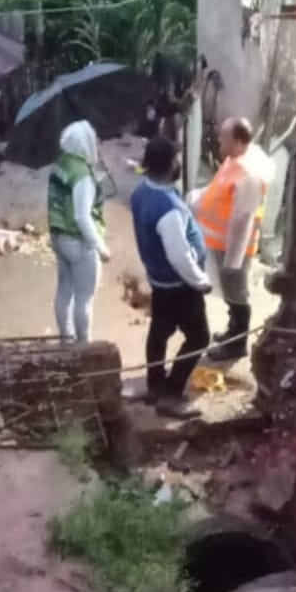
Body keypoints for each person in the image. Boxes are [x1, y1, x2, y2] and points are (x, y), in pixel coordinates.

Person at [130, 136, 212, 419]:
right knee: (199, 337)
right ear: (168, 166)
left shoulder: (141, 192)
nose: (179, 164)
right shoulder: (167, 209)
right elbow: (179, 255)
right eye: (176, 160)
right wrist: (201, 281)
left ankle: (155, 383)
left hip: (159, 280)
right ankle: (173, 392)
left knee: (160, 331)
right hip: (180, 285)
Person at [192, 117, 272, 364]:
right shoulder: (235, 161)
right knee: (231, 293)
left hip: (233, 248)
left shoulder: (248, 175)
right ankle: (232, 332)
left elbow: (242, 219)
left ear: (237, 142)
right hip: (222, 243)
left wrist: (233, 261)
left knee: (237, 294)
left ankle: (237, 344)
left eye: (223, 137)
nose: (218, 140)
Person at [49, 120, 110, 343]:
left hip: (58, 236)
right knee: (84, 297)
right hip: (78, 240)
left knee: (65, 288)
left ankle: (66, 337)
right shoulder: (82, 175)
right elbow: (82, 216)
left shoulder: (61, 163)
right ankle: (84, 343)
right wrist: (100, 246)